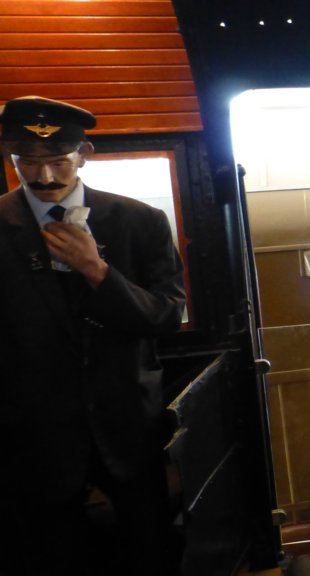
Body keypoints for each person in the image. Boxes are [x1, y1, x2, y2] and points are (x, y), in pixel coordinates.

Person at [0, 96, 186, 575]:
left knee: (150, 551)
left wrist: (98, 272)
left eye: (58, 161)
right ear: (9, 156)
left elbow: (166, 315)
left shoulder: (140, 222)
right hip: (34, 436)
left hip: (129, 427)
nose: (43, 177)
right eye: (28, 162)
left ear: (84, 153)